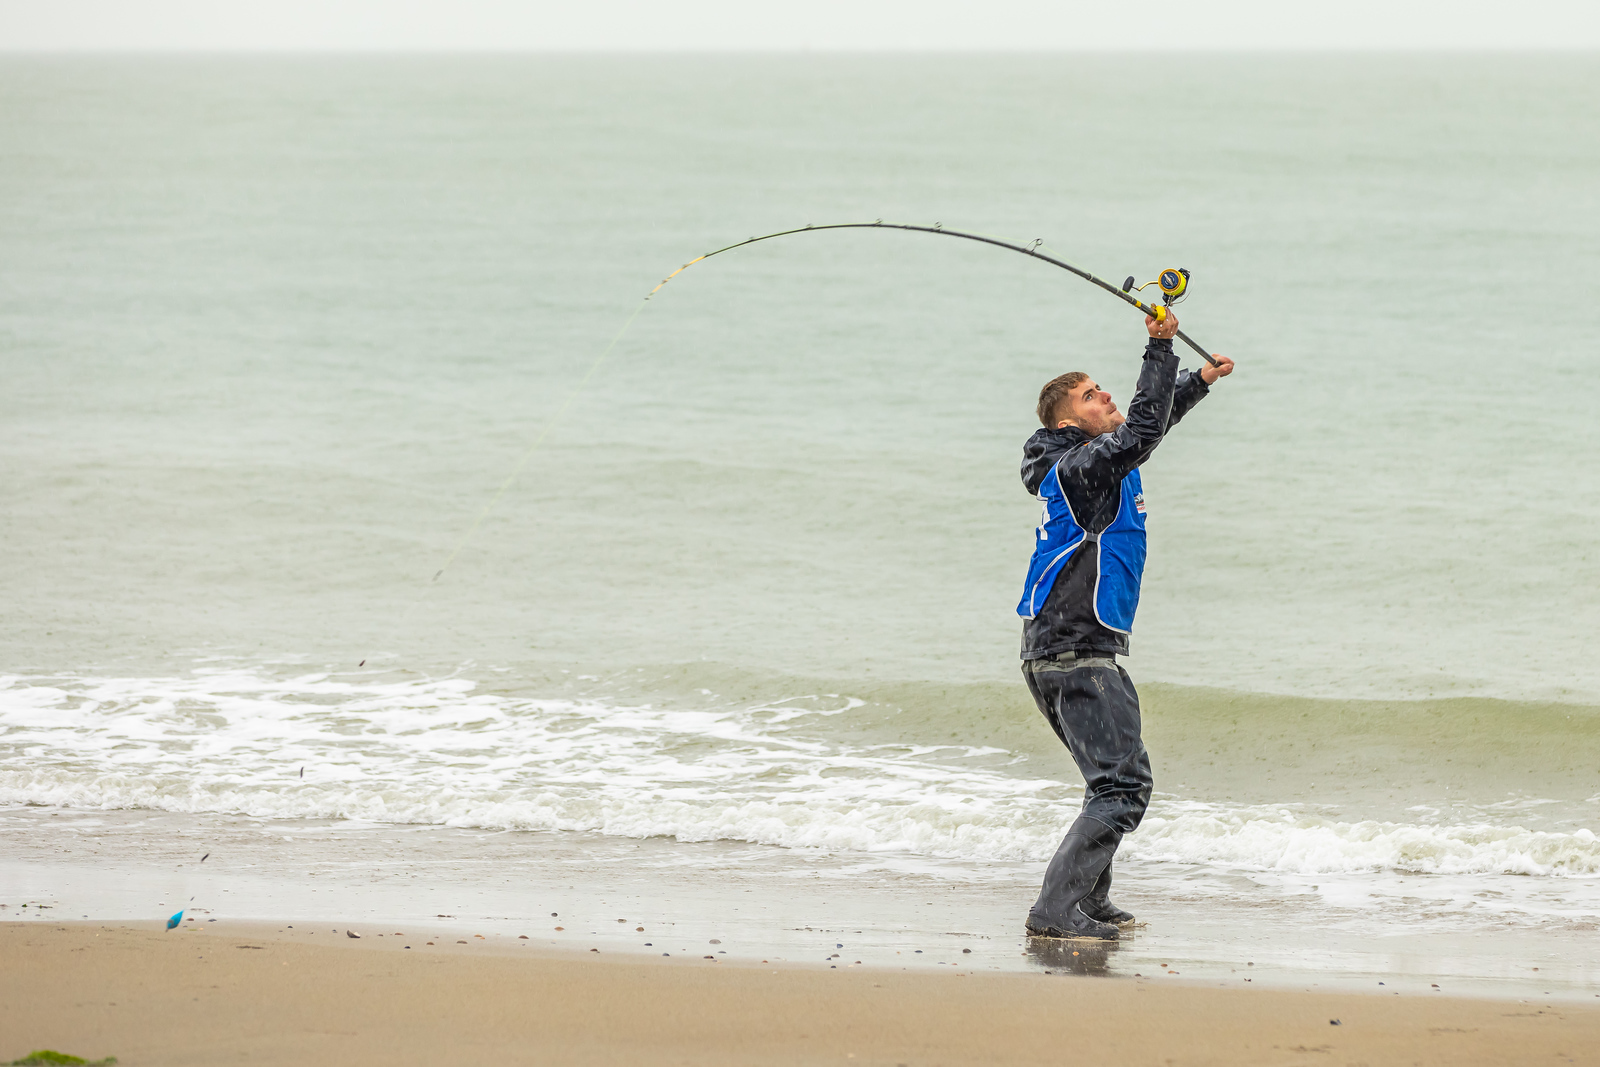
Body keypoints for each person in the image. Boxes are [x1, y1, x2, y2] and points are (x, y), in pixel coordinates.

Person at [1016, 311, 1234, 940]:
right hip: (1073, 648)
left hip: (1065, 646)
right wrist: (1158, 349)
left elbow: (1144, 430)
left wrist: (1195, 381)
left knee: (1108, 781)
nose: (1104, 395)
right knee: (1123, 785)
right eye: (1091, 395)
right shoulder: (1083, 469)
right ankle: (1054, 913)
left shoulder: (1091, 463)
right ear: (1067, 422)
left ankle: (1086, 900)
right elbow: (1138, 432)